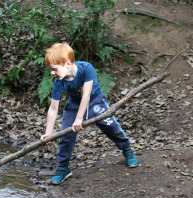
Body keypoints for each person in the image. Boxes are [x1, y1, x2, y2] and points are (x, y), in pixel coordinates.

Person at [40, 43, 138, 185]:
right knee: (66, 135)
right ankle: (63, 167)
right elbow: (53, 108)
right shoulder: (58, 82)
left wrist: (79, 119)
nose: (52, 73)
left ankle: (126, 149)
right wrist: (49, 133)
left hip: (95, 101)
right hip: (74, 105)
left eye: (54, 69)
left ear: (67, 63)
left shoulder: (86, 68)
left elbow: (86, 95)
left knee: (112, 127)